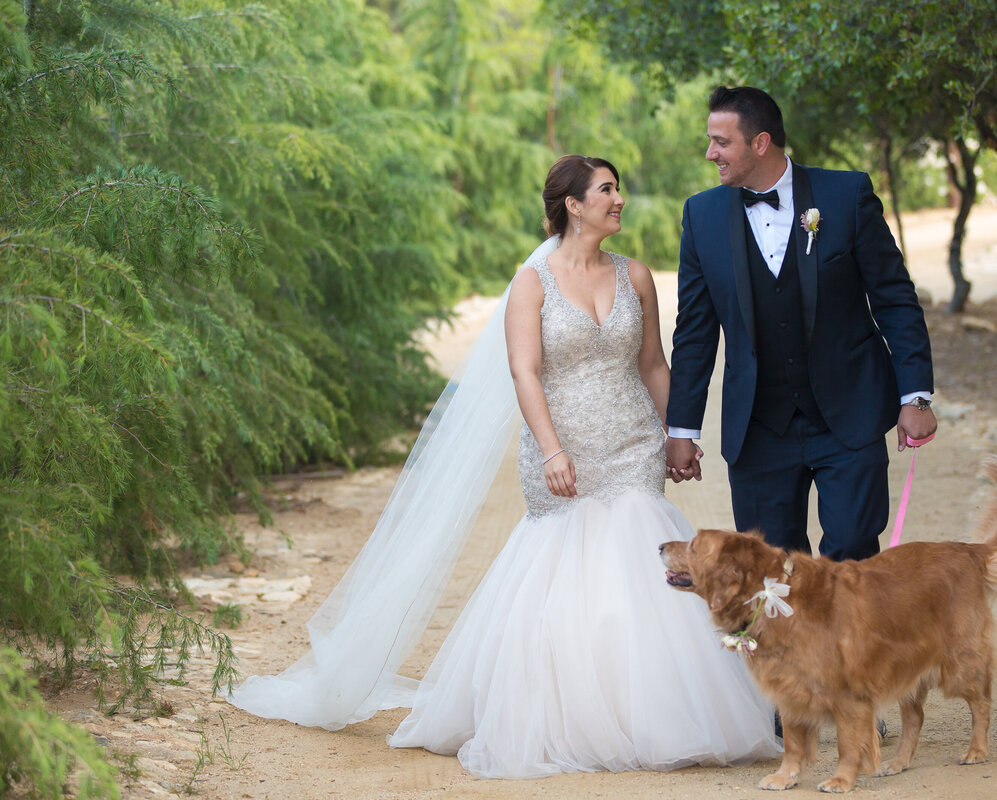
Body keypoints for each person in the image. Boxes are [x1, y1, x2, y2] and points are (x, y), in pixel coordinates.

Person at [227, 154, 779, 779]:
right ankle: (573, 713)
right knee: (568, 569)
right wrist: (551, 448)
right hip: (563, 443)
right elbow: (525, 371)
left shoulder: (638, 276)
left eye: (617, 189)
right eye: (606, 190)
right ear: (573, 205)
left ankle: (665, 712)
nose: (619, 199)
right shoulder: (534, 281)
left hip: (632, 443)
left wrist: (677, 433)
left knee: (639, 559)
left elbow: (653, 362)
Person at [665, 86, 937, 562]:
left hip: (848, 415)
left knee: (852, 557)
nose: (711, 153)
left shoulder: (846, 194)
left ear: (760, 142)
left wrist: (914, 395)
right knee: (772, 571)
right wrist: (682, 429)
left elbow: (894, 299)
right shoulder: (701, 215)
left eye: (721, 142)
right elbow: (695, 331)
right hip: (758, 427)